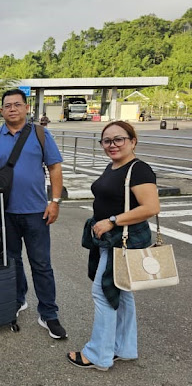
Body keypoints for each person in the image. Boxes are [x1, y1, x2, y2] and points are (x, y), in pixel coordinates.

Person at [0, 88, 67, 339]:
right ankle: (17, 299)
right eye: (8, 105)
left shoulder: (40, 134)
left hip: (37, 212)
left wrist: (55, 201)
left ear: (26, 108)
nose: (12, 109)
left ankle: (49, 313)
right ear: (1, 110)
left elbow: (55, 168)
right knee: (12, 260)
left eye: (17, 104)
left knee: (42, 264)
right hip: (4, 211)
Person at [68, 121, 159, 371]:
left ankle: (98, 354)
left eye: (119, 139)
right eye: (107, 141)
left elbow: (151, 207)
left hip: (123, 240)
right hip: (112, 239)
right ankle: (125, 348)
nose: (112, 145)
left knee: (103, 292)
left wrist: (112, 221)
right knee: (123, 293)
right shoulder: (114, 166)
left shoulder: (139, 170)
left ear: (133, 141)